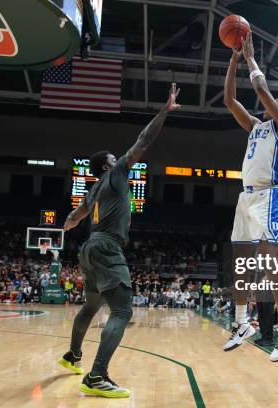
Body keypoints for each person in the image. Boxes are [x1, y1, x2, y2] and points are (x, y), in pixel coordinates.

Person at [58, 83, 181, 398]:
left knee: (91, 305)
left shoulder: (93, 189)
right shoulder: (115, 176)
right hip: (106, 247)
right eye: (115, 158)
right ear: (108, 165)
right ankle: (96, 376)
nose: (121, 159)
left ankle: (73, 355)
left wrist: (68, 224)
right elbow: (144, 140)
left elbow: (76, 216)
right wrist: (164, 111)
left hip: (88, 249)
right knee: (122, 312)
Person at [222, 32, 278, 361]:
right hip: (246, 198)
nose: (268, 104)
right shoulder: (256, 125)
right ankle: (242, 323)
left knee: (269, 262)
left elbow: (260, 89)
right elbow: (229, 100)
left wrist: (251, 55)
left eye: (274, 102)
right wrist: (233, 60)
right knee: (240, 266)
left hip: (268, 196)